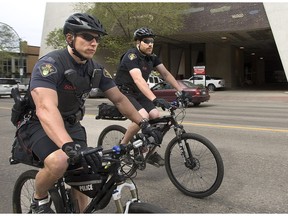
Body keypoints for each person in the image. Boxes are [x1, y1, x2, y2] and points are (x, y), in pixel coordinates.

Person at [25, 14, 161, 213]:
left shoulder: (95, 69)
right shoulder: (51, 64)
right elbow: (46, 107)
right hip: (38, 123)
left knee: (84, 176)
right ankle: (39, 200)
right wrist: (68, 146)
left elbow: (120, 99)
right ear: (70, 38)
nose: (94, 43)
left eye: (97, 39)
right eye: (88, 37)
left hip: (71, 124)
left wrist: (144, 124)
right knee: (60, 161)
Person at [115, 27, 191, 167]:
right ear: (138, 42)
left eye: (152, 41)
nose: (150, 44)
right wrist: (154, 98)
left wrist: (181, 90)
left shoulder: (152, 58)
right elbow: (138, 79)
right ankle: (123, 146)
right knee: (143, 116)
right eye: (146, 41)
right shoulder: (131, 56)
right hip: (124, 92)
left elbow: (166, 74)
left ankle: (149, 151)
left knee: (155, 115)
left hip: (139, 92)